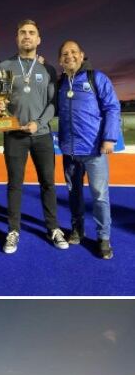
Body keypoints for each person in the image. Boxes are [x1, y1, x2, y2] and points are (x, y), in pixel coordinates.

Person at [0, 20, 69, 253]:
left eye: (31, 33)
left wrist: (38, 123)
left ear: (38, 39)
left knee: (48, 183)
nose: (27, 36)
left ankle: (53, 227)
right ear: (17, 39)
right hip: (14, 135)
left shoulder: (47, 70)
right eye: (22, 33)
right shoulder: (4, 66)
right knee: (14, 184)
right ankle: (13, 230)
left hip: (42, 135)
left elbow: (52, 104)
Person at [56, 40, 121, 259]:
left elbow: (112, 106)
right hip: (69, 151)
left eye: (74, 52)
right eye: (65, 53)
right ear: (60, 60)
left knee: (100, 196)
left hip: (94, 151)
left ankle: (103, 237)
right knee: (74, 194)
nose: (70, 56)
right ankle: (77, 229)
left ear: (82, 55)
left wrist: (109, 138)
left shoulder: (96, 78)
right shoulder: (61, 83)